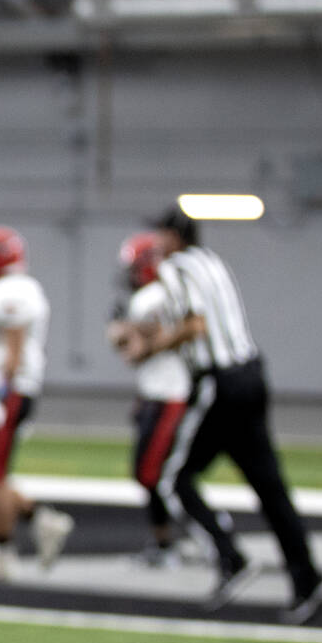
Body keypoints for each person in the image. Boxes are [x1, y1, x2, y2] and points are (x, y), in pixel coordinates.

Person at [126, 205, 322, 624]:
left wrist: (152, 346)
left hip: (219, 383)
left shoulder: (178, 267)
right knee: (270, 487)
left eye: (161, 236)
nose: (155, 246)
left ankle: (229, 555)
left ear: (174, 237)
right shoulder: (213, 262)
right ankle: (306, 578)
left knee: (169, 477)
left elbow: (195, 325)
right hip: (252, 375)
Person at [0, 225, 72, 581]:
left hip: (8, 391)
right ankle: (41, 518)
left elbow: (12, 351)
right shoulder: (20, 287)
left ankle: (2, 555)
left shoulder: (10, 291)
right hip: (9, 390)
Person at [106, 231, 194, 569]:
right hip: (160, 393)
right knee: (153, 474)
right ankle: (166, 541)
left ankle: (182, 537)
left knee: (152, 474)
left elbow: (137, 351)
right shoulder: (164, 294)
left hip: (166, 394)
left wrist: (121, 334)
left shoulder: (152, 298)